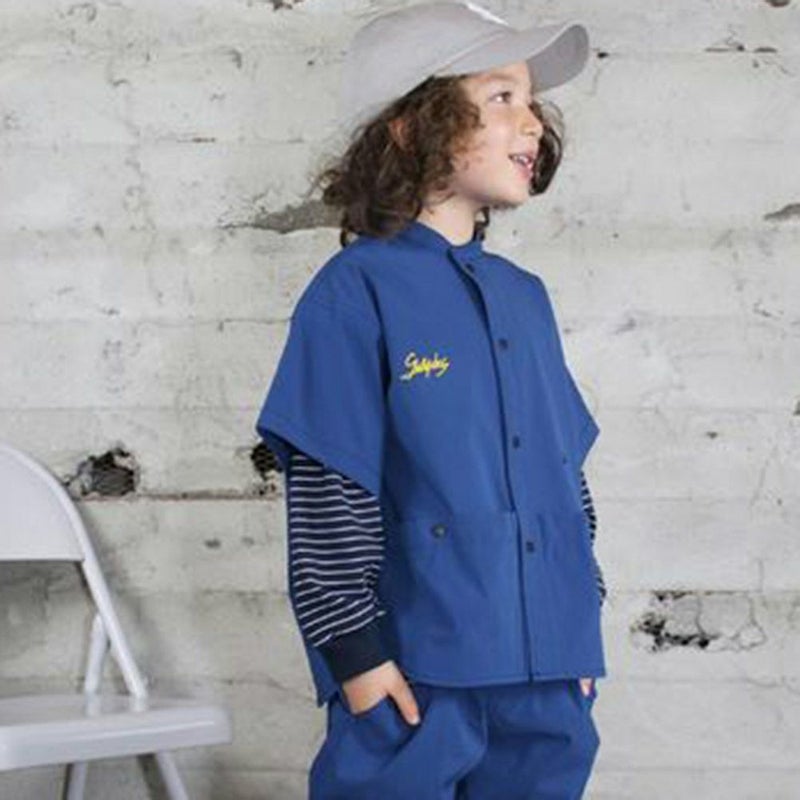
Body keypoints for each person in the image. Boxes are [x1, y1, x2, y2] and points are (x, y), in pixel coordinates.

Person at [255, 2, 608, 797]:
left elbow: (565, 475)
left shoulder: (525, 298)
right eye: (500, 97)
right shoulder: (355, 291)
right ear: (412, 127)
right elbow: (330, 478)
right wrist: (356, 653)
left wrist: (579, 621)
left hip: (549, 671)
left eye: (531, 101)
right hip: (419, 669)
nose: (533, 124)